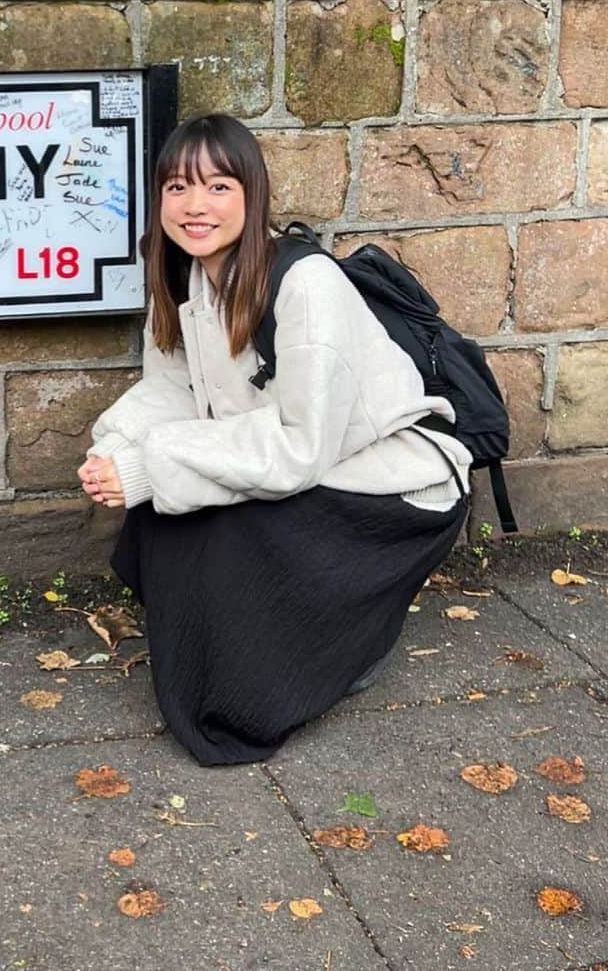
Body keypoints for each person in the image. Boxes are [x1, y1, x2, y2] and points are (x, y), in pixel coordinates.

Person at [77, 113, 471, 767]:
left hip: (393, 485)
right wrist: (118, 448)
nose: (194, 206)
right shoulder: (180, 273)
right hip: (315, 463)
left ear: (251, 194)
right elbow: (175, 388)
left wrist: (153, 465)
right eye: (177, 188)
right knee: (167, 520)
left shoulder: (305, 283)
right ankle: (284, 640)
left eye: (218, 187)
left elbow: (300, 445)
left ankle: (351, 644)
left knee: (221, 531)